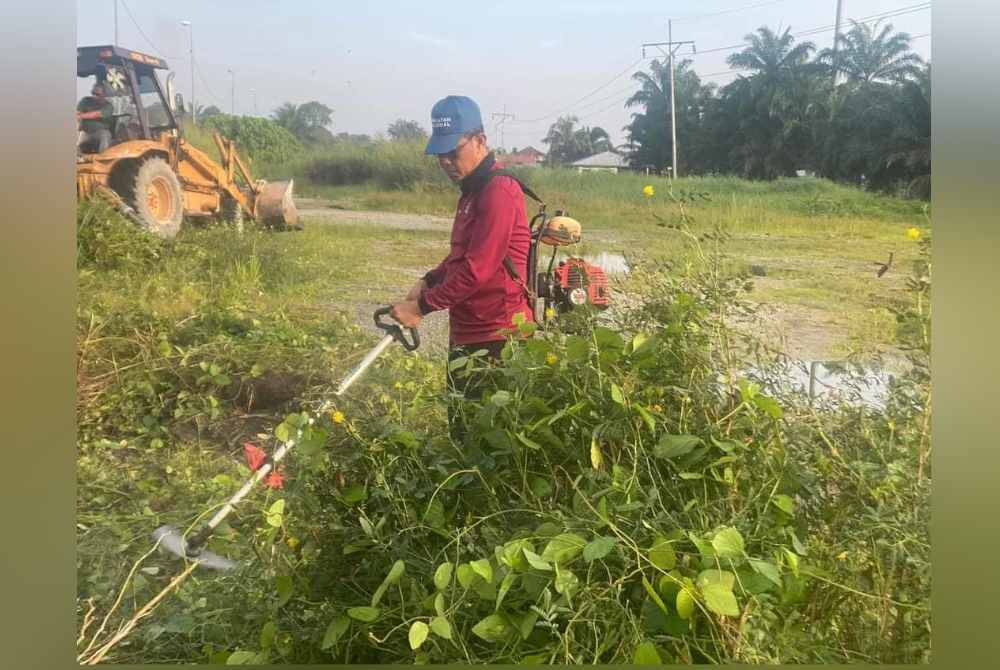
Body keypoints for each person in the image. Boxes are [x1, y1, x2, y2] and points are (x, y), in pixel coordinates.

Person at [390, 95, 534, 441]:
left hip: (498, 337)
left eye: (453, 152)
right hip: (469, 331)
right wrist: (428, 280)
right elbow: (461, 258)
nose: (446, 162)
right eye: (440, 155)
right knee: (462, 429)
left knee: (492, 439)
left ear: (480, 141)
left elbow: (477, 271)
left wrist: (421, 308)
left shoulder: (499, 191)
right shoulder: (472, 192)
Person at [77, 83, 114, 153]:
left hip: (100, 132)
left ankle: (103, 157)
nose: (94, 96)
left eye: (97, 94)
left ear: (104, 95)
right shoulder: (85, 100)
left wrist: (81, 116)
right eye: (93, 93)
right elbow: (77, 113)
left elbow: (96, 114)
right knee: (77, 147)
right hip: (85, 132)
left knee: (105, 137)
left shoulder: (108, 106)